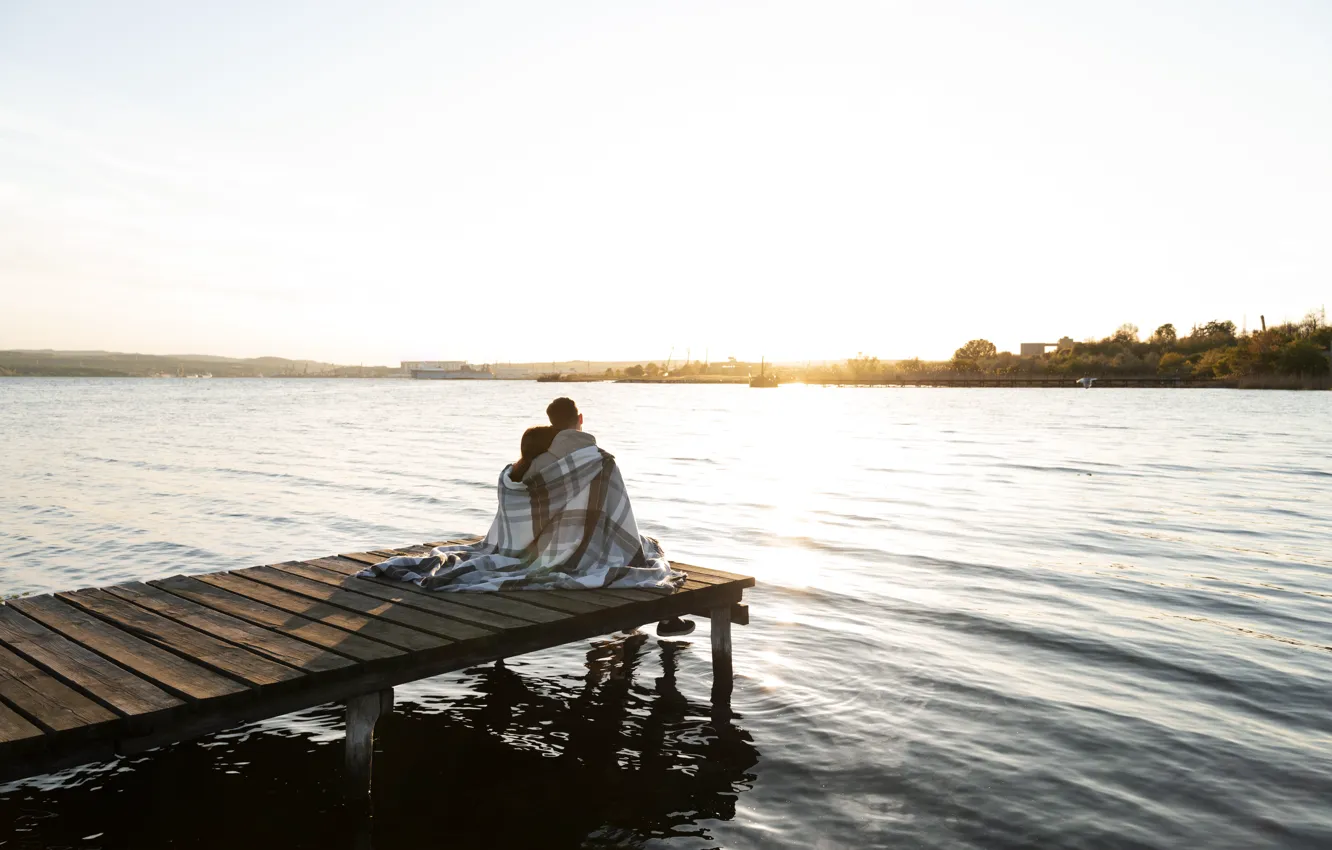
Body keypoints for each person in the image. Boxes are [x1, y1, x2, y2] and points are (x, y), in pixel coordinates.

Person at [533, 397, 696, 638]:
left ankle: (639, 622)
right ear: (580, 420)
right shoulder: (600, 460)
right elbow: (620, 515)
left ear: (551, 423)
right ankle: (667, 619)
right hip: (586, 545)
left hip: (545, 546)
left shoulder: (537, 460)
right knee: (649, 548)